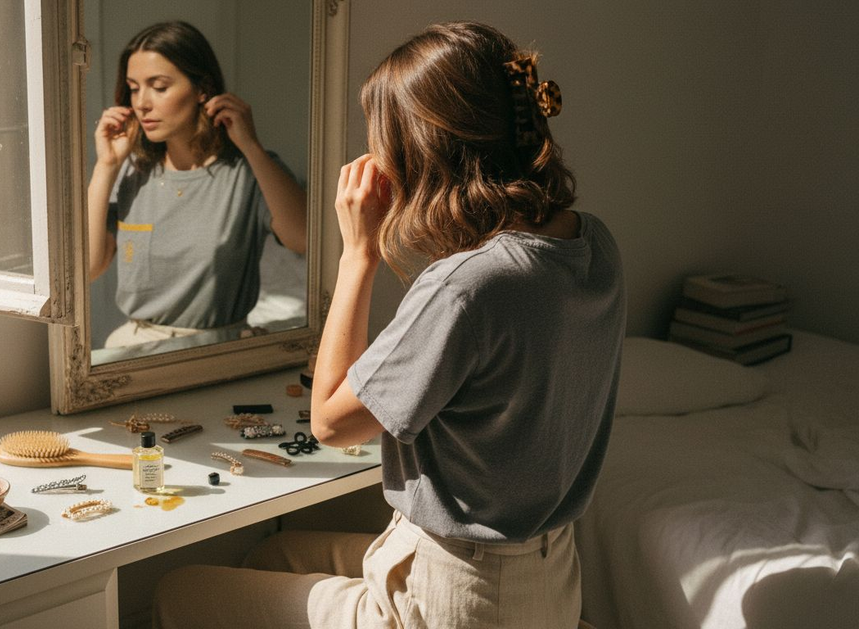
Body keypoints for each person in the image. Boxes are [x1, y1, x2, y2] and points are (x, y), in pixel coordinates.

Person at [151, 21, 626, 629]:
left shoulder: (468, 285)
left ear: (425, 149)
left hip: (458, 597)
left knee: (179, 589)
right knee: (275, 551)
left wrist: (359, 255)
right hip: (550, 576)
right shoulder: (594, 245)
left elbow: (327, 421)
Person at [88, 21, 307, 348]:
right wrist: (105, 168)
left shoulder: (245, 172)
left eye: (159, 87)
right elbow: (89, 269)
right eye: (134, 88)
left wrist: (252, 147)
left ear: (202, 89)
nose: (142, 103)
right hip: (133, 349)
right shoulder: (133, 172)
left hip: (219, 352)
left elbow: (304, 239)